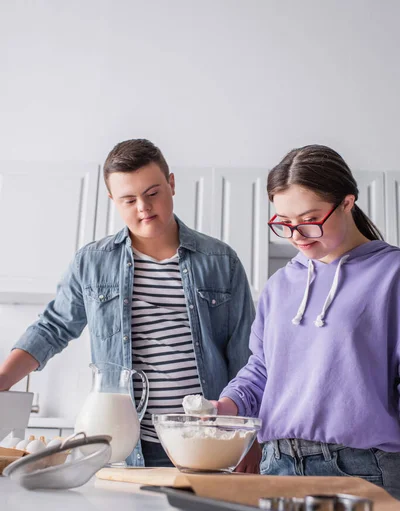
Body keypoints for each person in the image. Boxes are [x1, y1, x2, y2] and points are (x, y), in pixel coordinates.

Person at [0, 139, 255, 468]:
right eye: (128, 199)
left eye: (152, 193)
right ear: (112, 201)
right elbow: (52, 328)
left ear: (171, 184)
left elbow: (247, 357)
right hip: (127, 445)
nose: (143, 208)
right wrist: (3, 379)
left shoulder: (220, 260)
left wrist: (252, 438)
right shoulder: (93, 263)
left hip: (209, 442)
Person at [213, 144, 400, 498]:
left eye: (310, 221)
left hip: (364, 471)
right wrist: (227, 406)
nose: (297, 236)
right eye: (284, 224)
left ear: (347, 202)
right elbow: (263, 369)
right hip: (277, 463)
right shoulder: (281, 284)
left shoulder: (392, 274)